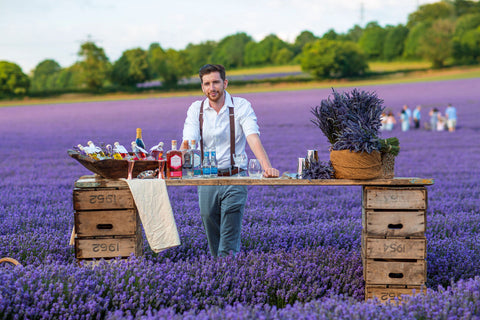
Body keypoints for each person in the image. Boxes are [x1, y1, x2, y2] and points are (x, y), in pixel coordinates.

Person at [181, 64, 279, 257]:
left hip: (235, 176)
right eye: (207, 84)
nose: (212, 88)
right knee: (208, 219)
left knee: (230, 227)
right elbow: (189, 140)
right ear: (202, 87)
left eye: (216, 82)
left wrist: (267, 167)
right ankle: (220, 271)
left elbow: (252, 136)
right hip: (206, 177)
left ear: (225, 83)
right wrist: (178, 155)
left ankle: (228, 268)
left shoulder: (241, 106)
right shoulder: (196, 109)